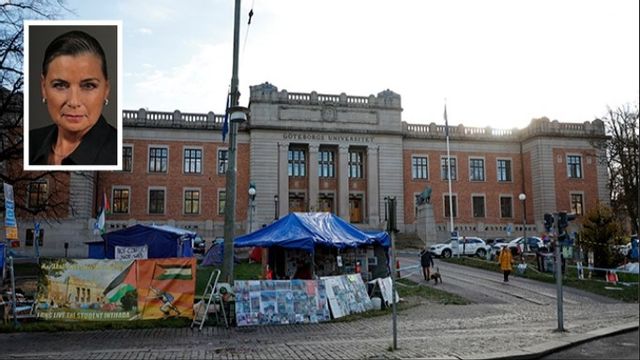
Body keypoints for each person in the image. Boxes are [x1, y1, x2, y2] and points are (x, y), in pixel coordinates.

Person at [30, 30, 117, 166]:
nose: (74, 102)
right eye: (60, 85)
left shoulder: (115, 151)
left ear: (106, 89)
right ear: (43, 87)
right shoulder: (30, 142)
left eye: (88, 86)